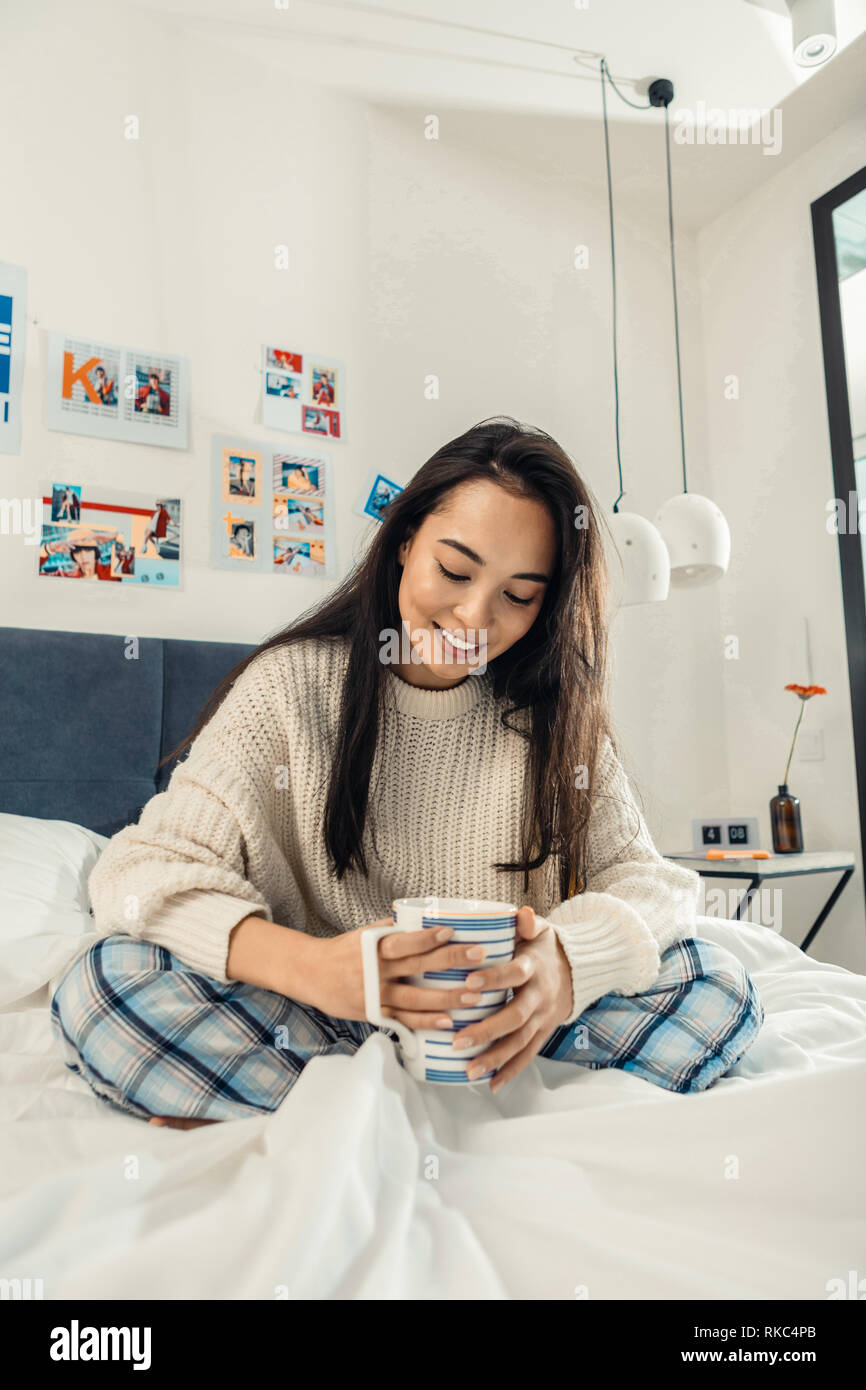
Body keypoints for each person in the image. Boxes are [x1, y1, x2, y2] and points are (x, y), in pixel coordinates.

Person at [50, 417, 764, 1128]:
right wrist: (313, 968)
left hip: (502, 1030)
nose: (473, 615)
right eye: (454, 570)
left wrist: (566, 967)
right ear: (402, 544)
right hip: (320, 1021)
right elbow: (137, 876)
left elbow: (651, 884)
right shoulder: (288, 688)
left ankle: (357, 1117)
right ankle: (476, 1125)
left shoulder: (554, 716)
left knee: (717, 983)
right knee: (104, 984)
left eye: (519, 595)